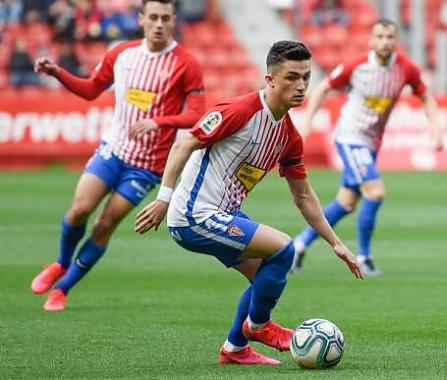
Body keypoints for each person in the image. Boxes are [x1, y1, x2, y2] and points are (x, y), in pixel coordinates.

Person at [134, 40, 363, 365]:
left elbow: (304, 196)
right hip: (192, 215)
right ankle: (259, 326)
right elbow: (185, 143)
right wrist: (163, 199)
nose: (300, 86)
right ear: (269, 79)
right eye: (291, 77)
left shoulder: (288, 136)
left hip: (221, 214)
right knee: (284, 249)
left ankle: (235, 348)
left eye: (306, 78)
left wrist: (335, 243)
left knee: (264, 277)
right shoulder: (239, 112)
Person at [30, 0, 206, 311]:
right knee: (78, 210)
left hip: (148, 166)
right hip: (114, 149)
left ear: (174, 20)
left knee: (105, 224)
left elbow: (196, 114)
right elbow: (90, 90)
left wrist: (159, 121)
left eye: (165, 18)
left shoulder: (185, 63)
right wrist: (58, 72)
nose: (159, 24)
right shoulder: (122, 54)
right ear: (141, 20)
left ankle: (63, 289)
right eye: (153, 17)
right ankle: (60, 263)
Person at [291, 19, 444, 276]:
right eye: (380, 36)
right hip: (350, 137)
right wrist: (306, 122)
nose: (385, 42)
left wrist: (436, 128)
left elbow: (426, 95)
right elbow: (324, 87)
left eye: (390, 37)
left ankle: (297, 246)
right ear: (372, 41)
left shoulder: (406, 69)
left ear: (397, 41)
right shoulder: (358, 66)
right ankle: (364, 257)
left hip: (371, 143)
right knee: (375, 191)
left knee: (346, 202)